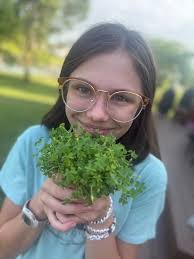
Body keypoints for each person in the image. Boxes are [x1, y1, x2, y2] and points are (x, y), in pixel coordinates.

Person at [0, 23, 167, 259]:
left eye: (120, 97)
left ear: (142, 105)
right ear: (65, 88)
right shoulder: (33, 141)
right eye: (83, 89)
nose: (97, 114)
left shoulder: (149, 174)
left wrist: (101, 219)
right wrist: (38, 206)